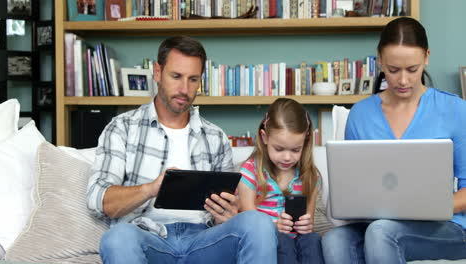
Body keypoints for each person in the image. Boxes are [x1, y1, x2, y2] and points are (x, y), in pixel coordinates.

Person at [86, 36, 277, 264]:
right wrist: (150, 189)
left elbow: (225, 217)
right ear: (157, 72)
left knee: (258, 222)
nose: (184, 89)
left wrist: (226, 214)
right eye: (176, 76)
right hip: (148, 237)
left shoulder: (215, 137)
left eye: (193, 79)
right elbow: (99, 200)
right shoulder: (122, 128)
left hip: (204, 241)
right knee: (117, 238)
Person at [322, 17, 466, 263]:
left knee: (381, 232)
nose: (402, 80)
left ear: (427, 57)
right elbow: (354, 188)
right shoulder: (360, 115)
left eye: (412, 69)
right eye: (393, 70)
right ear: (379, 60)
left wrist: (429, 206)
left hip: (445, 228)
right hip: (381, 224)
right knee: (334, 239)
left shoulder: (455, 110)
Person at [238, 98, 325, 264]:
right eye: (279, 149)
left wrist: (307, 224)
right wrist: (275, 226)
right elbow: (248, 220)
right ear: (264, 137)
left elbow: (309, 221)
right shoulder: (251, 172)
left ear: (305, 141)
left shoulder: (310, 176)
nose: (287, 157)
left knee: (312, 240)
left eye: (295, 150)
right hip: (266, 240)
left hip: (299, 240)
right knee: (283, 241)